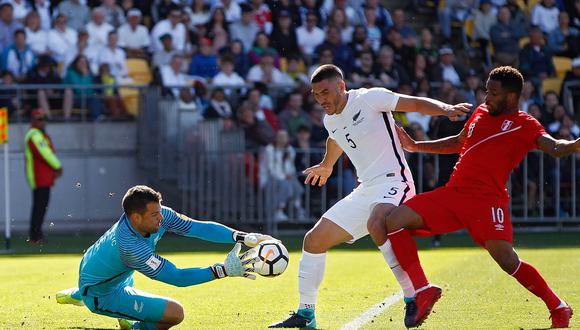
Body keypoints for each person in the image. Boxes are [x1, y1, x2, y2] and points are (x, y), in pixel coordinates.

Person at [371, 66, 576, 328]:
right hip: (454, 193)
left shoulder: (525, 124)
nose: (486, 97)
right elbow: (458, 142)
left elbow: (555, 147)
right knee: (393, 220)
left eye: (493, 93)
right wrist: (415, 146)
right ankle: (423, 290)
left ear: (511, 97)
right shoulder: (480, 112)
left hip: (487, 201)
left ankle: (558, 307)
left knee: (507, 261)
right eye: (486, 91)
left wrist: (574, 144)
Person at [269, 64, 470, 328]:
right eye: (316, 95)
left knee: (378, 222)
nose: (321, 100)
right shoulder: (330, 119)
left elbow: (415, 104)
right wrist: (327, 165)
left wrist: (445, 108)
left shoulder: (369, 98)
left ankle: (413, 297)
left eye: (326, 92)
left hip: (395, 181)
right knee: (313, 241)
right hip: (366, 189)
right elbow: (335, 138)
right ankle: (306, 315)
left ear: (341, 86)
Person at [55, 185, 276, 329]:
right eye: (154, 215)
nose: (161, 218)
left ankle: (79, 293)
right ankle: (104, 308)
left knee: (109, 279)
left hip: (106, 274)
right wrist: (223, 270)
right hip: (102, 293)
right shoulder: (131, 247)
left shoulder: (157, 216)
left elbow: (197, 228)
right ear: (135, 217)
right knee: (174, 313)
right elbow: (176, 277)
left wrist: (242, 237)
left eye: (160, 211)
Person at [25, 108, 62, 244]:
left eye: (44, 119)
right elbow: (45, 152)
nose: (43, 122)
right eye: (40, 119)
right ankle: (35, 235)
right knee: (39, 207)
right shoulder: (34, 134)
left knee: (40, 207)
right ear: (34, 121)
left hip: (43, 177)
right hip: (39, 177)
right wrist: (57, 165)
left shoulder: (39, 134)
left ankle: (36, 234)